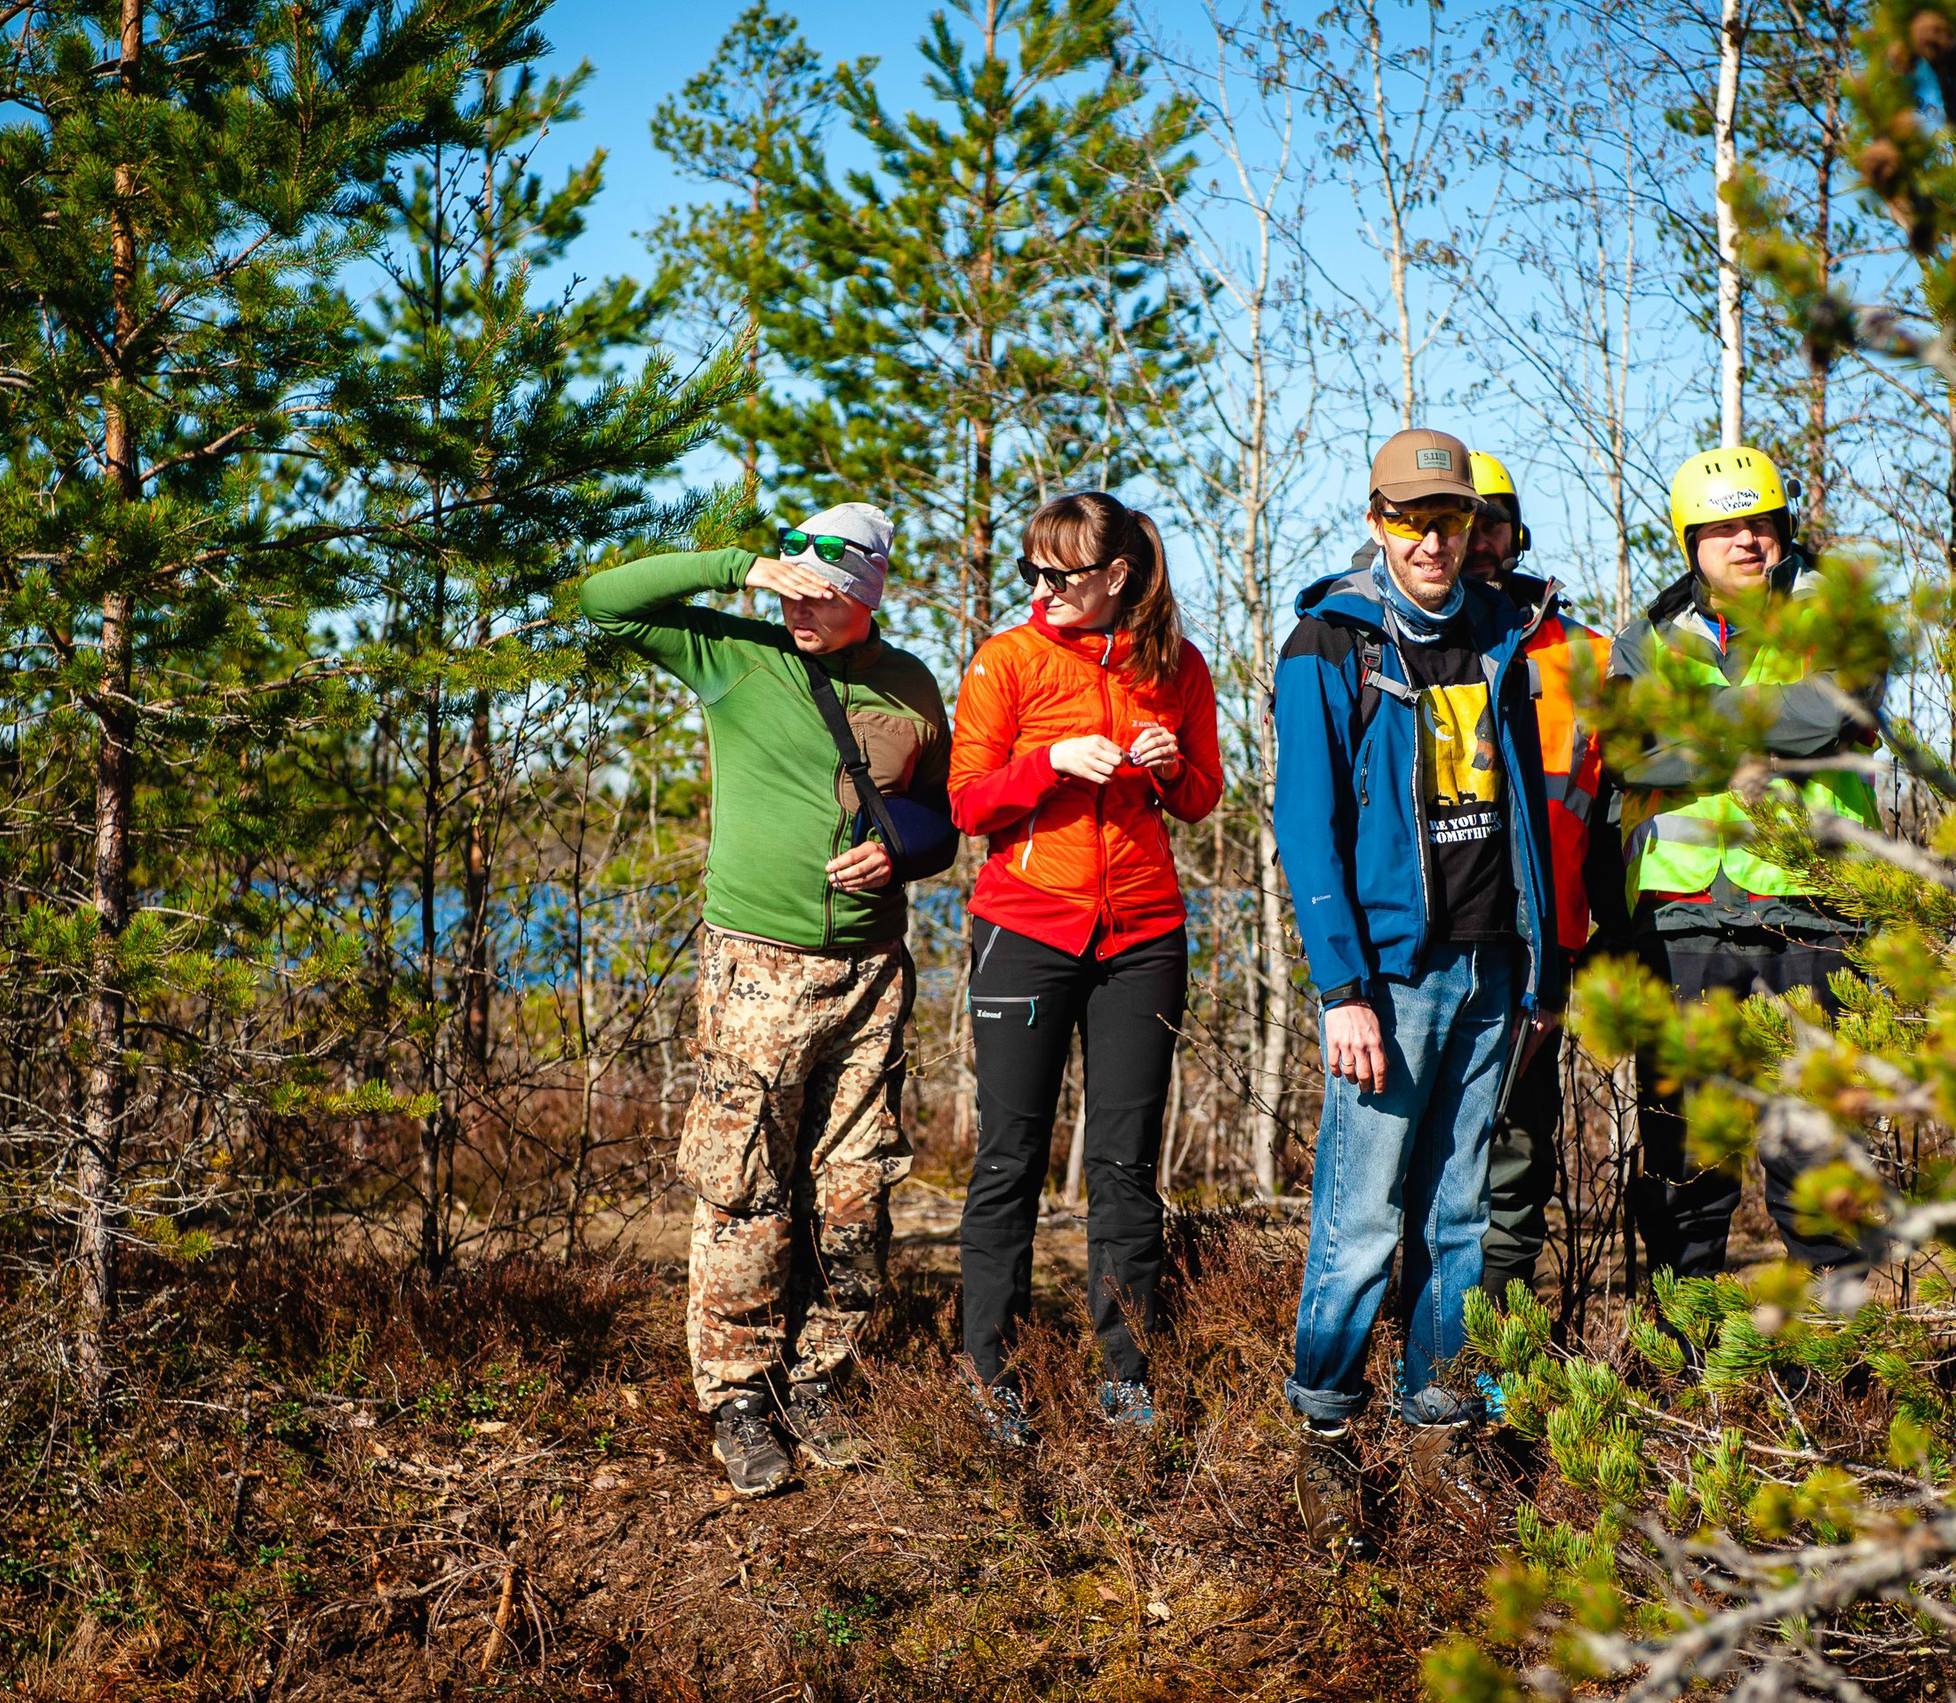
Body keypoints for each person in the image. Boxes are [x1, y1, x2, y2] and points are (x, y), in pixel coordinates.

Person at [578, 503, 956, 1498]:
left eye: (821, 596)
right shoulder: (736, 655)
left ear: (866, 596)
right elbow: (603, 600)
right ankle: (738, 1396)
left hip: (872, 971)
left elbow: (941, 817)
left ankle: (818, 1379)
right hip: (756, 967)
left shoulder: (912, 684)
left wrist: (902, 852)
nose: (799, 608)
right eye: (791, 590)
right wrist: (740, 565)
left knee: (853, 1190)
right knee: (744, 1183)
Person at [1273, 428, 1563, 1551]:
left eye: (1449, 520)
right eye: (1410, 520)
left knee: (1459, 1218)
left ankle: (1439, 1421)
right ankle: (1325, 1431)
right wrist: (1341, 986)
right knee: (1359, 1219)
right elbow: (1308, 824)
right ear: (1375, 520)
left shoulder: (1499, 634)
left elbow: (1529, 806)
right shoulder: (1329, 642)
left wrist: (1543, 964)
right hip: (1391, 978)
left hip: (1496, 965)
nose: (1432, 542)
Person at [949, 491, 1223, 1442]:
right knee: (1009, 1158)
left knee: (1124, 1164)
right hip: (1025, 929)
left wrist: (1167, 762)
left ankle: (1126, 1378)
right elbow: (967, 803)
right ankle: (992, 1374)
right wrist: (1052, 760)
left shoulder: (1176, 665)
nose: (1041, 587)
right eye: (1031, 569)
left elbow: (1200, 798)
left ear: (1117, 574)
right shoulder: (1007, 660)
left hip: (1143, 936)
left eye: (1059, 574)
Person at [1610, 447, 1878, 1280]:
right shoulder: (1648, 636)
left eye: (1760, 522)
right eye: (1722, 527)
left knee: (1818, 1157)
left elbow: (1831, 712)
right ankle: (1685, 1345)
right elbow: (1627, 751)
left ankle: (1838, 1347)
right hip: (1684, 920)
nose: (1746, 540)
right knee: (1686, 1160)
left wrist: (1695, 723)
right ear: (1689, 541)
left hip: (1811, 912)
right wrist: (1773, 726)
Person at [1458, 453, 1627, 1312]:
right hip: (1425, 960)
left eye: (1491, 520)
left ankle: (1501, 1363)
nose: (1476, 540)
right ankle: (1421, 1362)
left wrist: (1595, 948)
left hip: (1535, 962)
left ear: (1516, 532)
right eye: (1458, 522)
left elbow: (1616, 820)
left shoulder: (1588, 660)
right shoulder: (1398, 644)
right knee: (1409, 1175)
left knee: (1517, 1168)